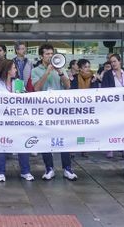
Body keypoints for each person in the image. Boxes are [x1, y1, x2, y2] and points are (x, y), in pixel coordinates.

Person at [31, 43, 78, 181]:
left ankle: (67, 169)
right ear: (41, 56)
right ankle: (49, 168)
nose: (50, 56)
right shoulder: (36, 71)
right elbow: (36, 88)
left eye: (52, 54)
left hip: (60, 109)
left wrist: (60, 72)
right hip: (44, 110)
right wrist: (47, 72)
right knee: (46, 138)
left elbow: (68, 86)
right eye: (47, 54)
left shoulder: (60, 68)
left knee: (64, 137)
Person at [0, 60, 34, 182]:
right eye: (14, 68)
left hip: (18, 120)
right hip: (2, 120)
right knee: (1, 145)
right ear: (8, 70)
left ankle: (25, 171)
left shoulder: (19, 83)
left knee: (22, 145)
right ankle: (0, 172)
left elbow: (24, 101)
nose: (16, 70)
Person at [101, 54, 124, 158]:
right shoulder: (108, 74)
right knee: (112, 126)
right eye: (111, 62)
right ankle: (110, 148)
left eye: (114, 61)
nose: (113, 64)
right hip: (112, 105)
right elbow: (104, 89)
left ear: (120, 61)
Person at [70, 58, 100, 158]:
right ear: (80, 68)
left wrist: (96, 81)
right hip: (76, 108)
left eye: (88, 67)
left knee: (86, 129)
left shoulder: (93, 78)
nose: (87, 69)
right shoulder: (73, 78)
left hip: (88, 108)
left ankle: (84, 148)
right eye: (85, 67)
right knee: (75, 128)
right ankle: (73, 148)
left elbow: (96, 92)